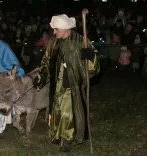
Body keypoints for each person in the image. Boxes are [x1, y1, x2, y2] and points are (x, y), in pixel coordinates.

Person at [33, 14, 99, 152]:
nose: (54, 32)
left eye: (56, 29)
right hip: (56, 84)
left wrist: (91, 57)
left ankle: (66, 139)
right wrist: (42, 75)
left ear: (65, 28)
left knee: (67, 113)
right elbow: (46, 61)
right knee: (56, 110)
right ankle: (57, 134)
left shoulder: (81, 42)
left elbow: (93, 67)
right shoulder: (53, 42)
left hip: (72, 84)